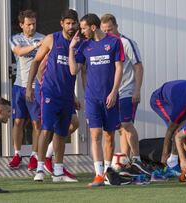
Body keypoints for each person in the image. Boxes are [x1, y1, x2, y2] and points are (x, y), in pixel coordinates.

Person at [69, 13, 124, 187]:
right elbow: (73, 71)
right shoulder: (84, 45)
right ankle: (99, 175)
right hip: (92, 98)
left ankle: (108, 172)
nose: (81, 31)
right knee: (95, 135)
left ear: (93, 27)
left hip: (110, 97)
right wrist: (71, 49)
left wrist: (114, 92)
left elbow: (119, 69)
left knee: (109, 136)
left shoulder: (114, 42)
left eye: (83, 28)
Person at [26, 9, 80, 182]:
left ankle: (58, 171)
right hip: (49, 92)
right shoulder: (52, 39)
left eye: (73, 23)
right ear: (62, 23)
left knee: (62, 132)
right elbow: (36, 62)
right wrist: (30, 86)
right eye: (68, 23)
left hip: (66, 95)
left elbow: (72, 73)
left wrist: (74, 95)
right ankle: (40, 169)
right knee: (46, 129)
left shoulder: (79, 43)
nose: (71, 27)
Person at [100, 14, 152, 176]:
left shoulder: (126, 42)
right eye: (105, 30)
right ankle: (124, 161)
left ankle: (136, 159)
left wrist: (137, 90)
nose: (108, 33)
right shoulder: (104, 43)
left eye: (110, 29)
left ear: (117, 26)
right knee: (118, 129)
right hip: (111, 93)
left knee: (125, 124)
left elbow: (138, 67)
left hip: (127, 91)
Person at [8, 9, 45, 171]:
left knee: (37, 123)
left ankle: (34, 155)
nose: (31, 27)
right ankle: (17, 154)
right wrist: (35, 46)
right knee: (18, 121)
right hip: (19, 86)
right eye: (28, 24)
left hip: (37, 87)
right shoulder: (16, 39)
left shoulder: (44, 38)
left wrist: (39, 44)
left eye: (34, 24)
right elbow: (19, 51)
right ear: (21, 25)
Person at [150, 80, 186, 175]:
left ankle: (173, 159)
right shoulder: (180, 108)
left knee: (184, 128)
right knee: (176, 130)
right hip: (159, 100)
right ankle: (171, 162)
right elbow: (170, 131)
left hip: (181, 95)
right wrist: (165, 153)